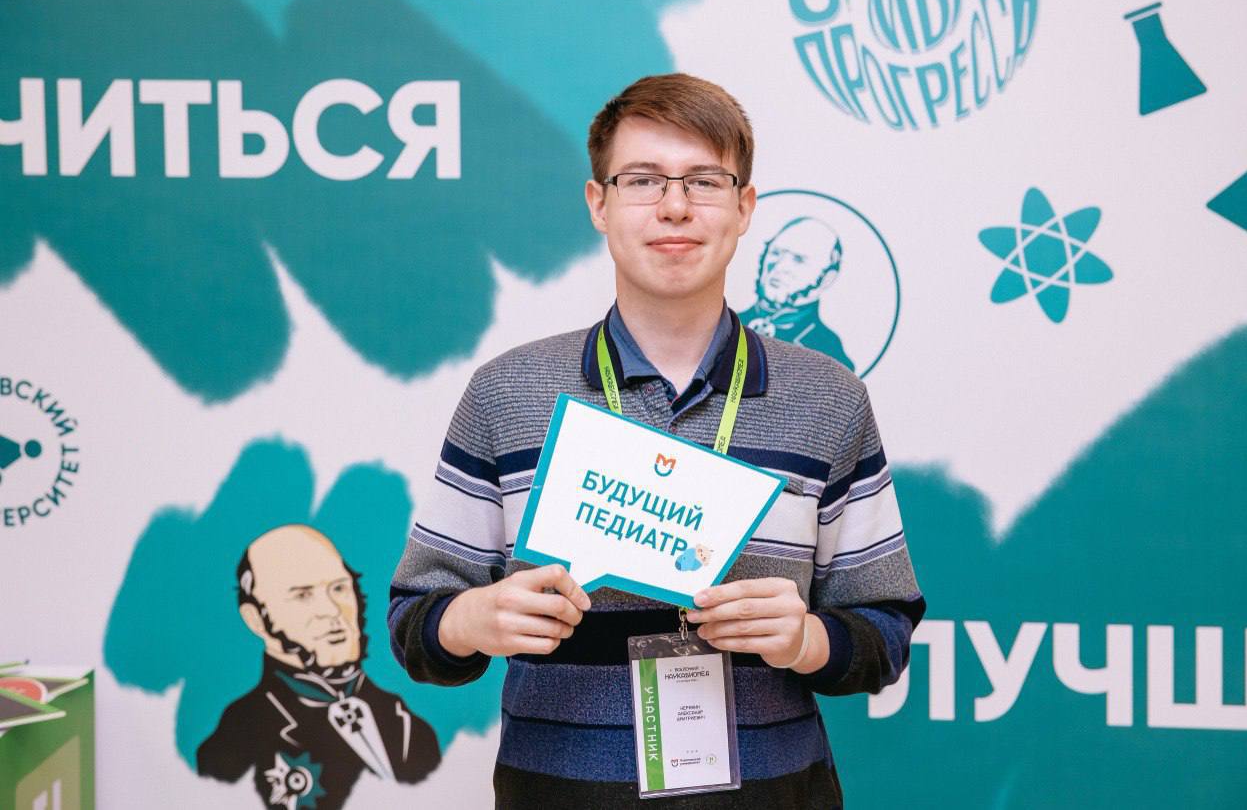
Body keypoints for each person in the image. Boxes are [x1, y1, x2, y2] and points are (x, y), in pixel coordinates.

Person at [388, 73, 924, 808]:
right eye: (642, 180)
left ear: (744, 207)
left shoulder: (828, 399)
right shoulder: (506, 393)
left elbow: (884, 631)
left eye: (704, 180)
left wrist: (806, 639)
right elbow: (413, 624)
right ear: (598, 204)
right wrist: (471, 620)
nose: (675, 206)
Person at [199, 525, 441, 809]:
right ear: (256, 619)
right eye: (302, 595)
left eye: (339, 588)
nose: (332, 610)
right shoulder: (237, 737)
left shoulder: (402, 720)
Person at [739, 216, 856, 370]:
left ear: (827, 278)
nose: (780, 267)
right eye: (776, 253)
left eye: (799, 260)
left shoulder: (829, 352)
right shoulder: (726, 325)